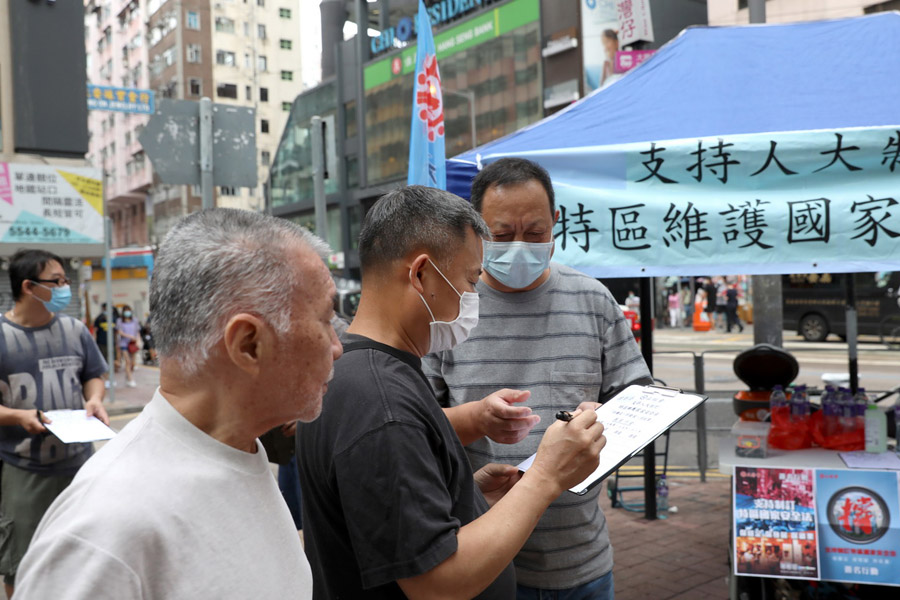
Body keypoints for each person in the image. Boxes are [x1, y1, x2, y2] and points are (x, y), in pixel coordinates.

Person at [296, 185, 606, 599]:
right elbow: (437, 581)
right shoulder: (381, 402)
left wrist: (465, 497)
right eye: (470, 279)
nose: (473, 297)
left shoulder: (365, 373)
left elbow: (384, 515)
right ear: (421, 273)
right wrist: (547, 476)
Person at [16, 209, 340, 598]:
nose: (337, 347)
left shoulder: (240, 452)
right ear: (248, 344)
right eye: (325, 320)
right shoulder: (104, 535)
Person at [423, 158, 652, 599]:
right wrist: (473, 417)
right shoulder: (446, 313)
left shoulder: (592, 299)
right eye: (503, 236)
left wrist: (609, 416)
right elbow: (420, 424)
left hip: (582, 559)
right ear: (475, 233)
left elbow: (639, 395)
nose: (521, 247)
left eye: (535, 233)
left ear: (556, 224)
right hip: (481, 561)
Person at [0, 249, 109, 598]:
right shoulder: (2, 337)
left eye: (65, 280)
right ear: (30, 286)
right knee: (22, 563)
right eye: (58, 281)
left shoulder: (75, 330)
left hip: (80, 467)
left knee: (86, 557)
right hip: (25, 470)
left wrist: (94, 399)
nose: (66, 288)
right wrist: (18, 416)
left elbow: (94, 374)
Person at [116, 304, 140, 387]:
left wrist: (138, 340)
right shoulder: (119, 321)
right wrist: (130, 336)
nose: (127, 313)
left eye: (128, 310)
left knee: (132, 364)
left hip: (133, 344)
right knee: (127, 361)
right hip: (124, 343)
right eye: (125, 311)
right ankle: (130, 379)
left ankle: (127, 376)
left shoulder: (135, 320)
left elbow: (137, 331)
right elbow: (119, 332)